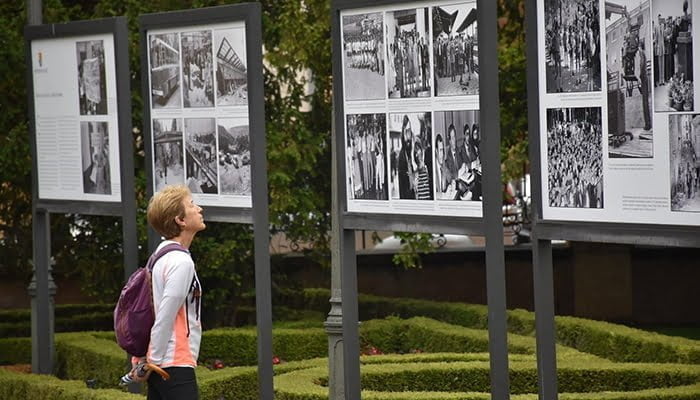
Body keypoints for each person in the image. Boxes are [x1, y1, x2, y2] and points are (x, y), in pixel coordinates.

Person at [133, 184, 205, 399]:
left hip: (163, 362)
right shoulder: (181, 261)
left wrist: (144, 359)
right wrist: (152, 362)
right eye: (192, 205)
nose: (199, 209)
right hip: (173, 363)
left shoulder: (159, 256)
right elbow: (165, 315)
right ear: (180, 220)